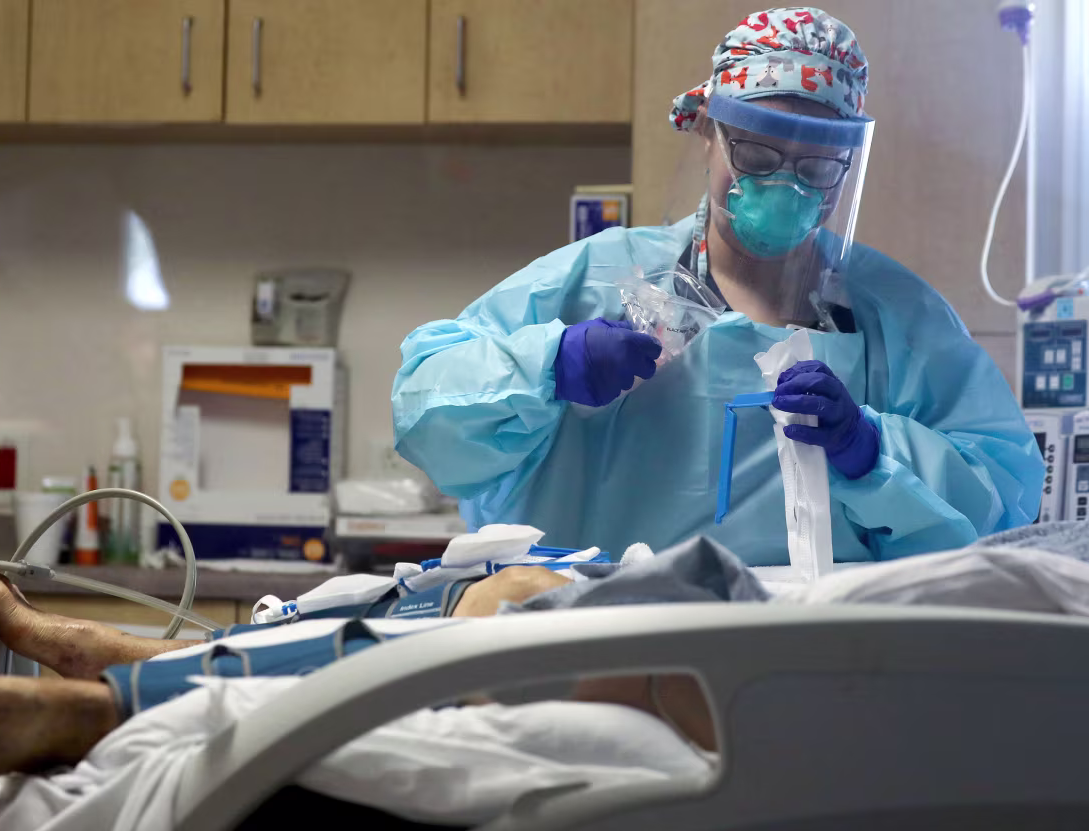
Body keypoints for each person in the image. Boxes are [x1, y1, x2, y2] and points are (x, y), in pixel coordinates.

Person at [391, 7, 1043, 565]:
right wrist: (547, 365)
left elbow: (1003, 493)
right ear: (706, 131)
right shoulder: (595, 281)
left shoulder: (892, 317)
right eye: (758, 156)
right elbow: (425, 409)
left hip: (808, 663)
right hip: (600, 652)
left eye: (815, 166)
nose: (784, 186)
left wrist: (872, 450)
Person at [0, 567, 712, 786]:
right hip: (711, 611)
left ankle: (90, 704)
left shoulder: (847, 296)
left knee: (514, 624)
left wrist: (855, 455)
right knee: (514, 593)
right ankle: (115, 662)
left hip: (722, 664)